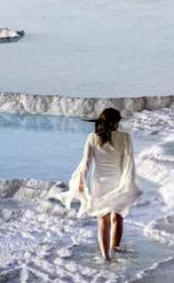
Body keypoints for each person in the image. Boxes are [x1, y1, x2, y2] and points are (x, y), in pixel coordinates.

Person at [57, 108, 143, 261]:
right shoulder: (125, 138)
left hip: (99, 183)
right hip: (118, 181)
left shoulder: (92, 137)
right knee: (118, 217)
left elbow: (86, 164)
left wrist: (81, 182)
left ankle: (105, 257)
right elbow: (128, 163)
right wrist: (129, 183)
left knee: (103, 221)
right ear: (116, 122)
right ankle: (115, 249)